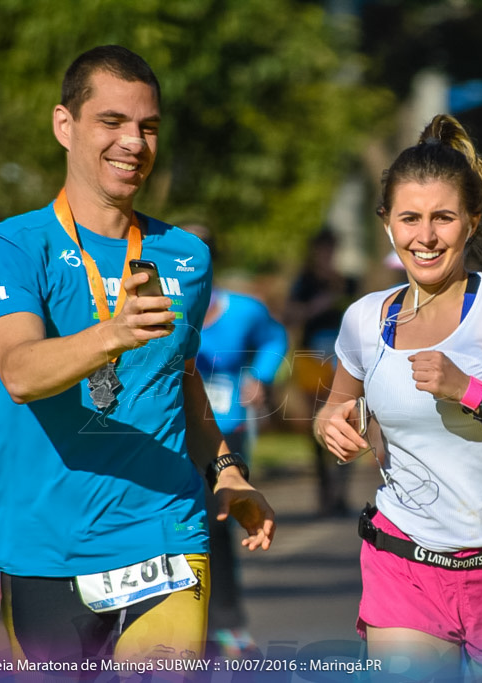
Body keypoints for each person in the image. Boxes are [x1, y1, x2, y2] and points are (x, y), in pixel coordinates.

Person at [0, 45, 275, 666]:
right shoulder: (11, 248)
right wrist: (115, 331)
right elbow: (21, 373)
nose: (134, 141)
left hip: (167, 530)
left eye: (148, 126)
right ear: (65, 125)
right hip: (45, 547)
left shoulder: (186, 255)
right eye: (112, 122)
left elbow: (179, 378)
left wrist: (225, 471)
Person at [314, 114, 482, 677]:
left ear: (472, 220)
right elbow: (337, 409)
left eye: (443, 218)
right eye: (410, 218)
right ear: (387, 223)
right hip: (404, 563)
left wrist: (472, 392)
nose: (426, 237)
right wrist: (331, 426)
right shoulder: (365, 319)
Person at [187, 224, 288, 658]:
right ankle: (189, 620)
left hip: (228, 431)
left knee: (215, 520)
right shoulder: (162, 309)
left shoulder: (244, 311)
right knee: (183, 526)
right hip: (179, 431)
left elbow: (275, 338)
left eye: (200, 254)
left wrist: (260, 377)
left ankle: (226, 622)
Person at [285, 228, 359, 517]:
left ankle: (341, 491)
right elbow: (291, 316)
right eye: (323, 250)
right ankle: (324, 491)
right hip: (312, 356)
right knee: (317, 418)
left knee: (348, 417)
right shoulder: (304, 282)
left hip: (342, 355)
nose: (327, 256)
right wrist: (316, 306)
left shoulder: (346, 281)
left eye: (331, 250)